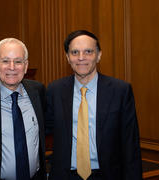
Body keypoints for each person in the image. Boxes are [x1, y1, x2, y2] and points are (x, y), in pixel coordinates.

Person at [46, 30, 142, 180]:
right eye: (75, 52)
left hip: (108, 175)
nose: (81, 58)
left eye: (88, 52)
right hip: (65, 176)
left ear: (98, 55)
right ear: (67, 57)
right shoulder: (54, 90)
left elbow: (131, 145)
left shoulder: (120, 91)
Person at [0, 38, 46, 180]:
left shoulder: (37, 91)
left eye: (18, 61)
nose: (12, 67)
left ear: (26, 66)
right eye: (5, 61)